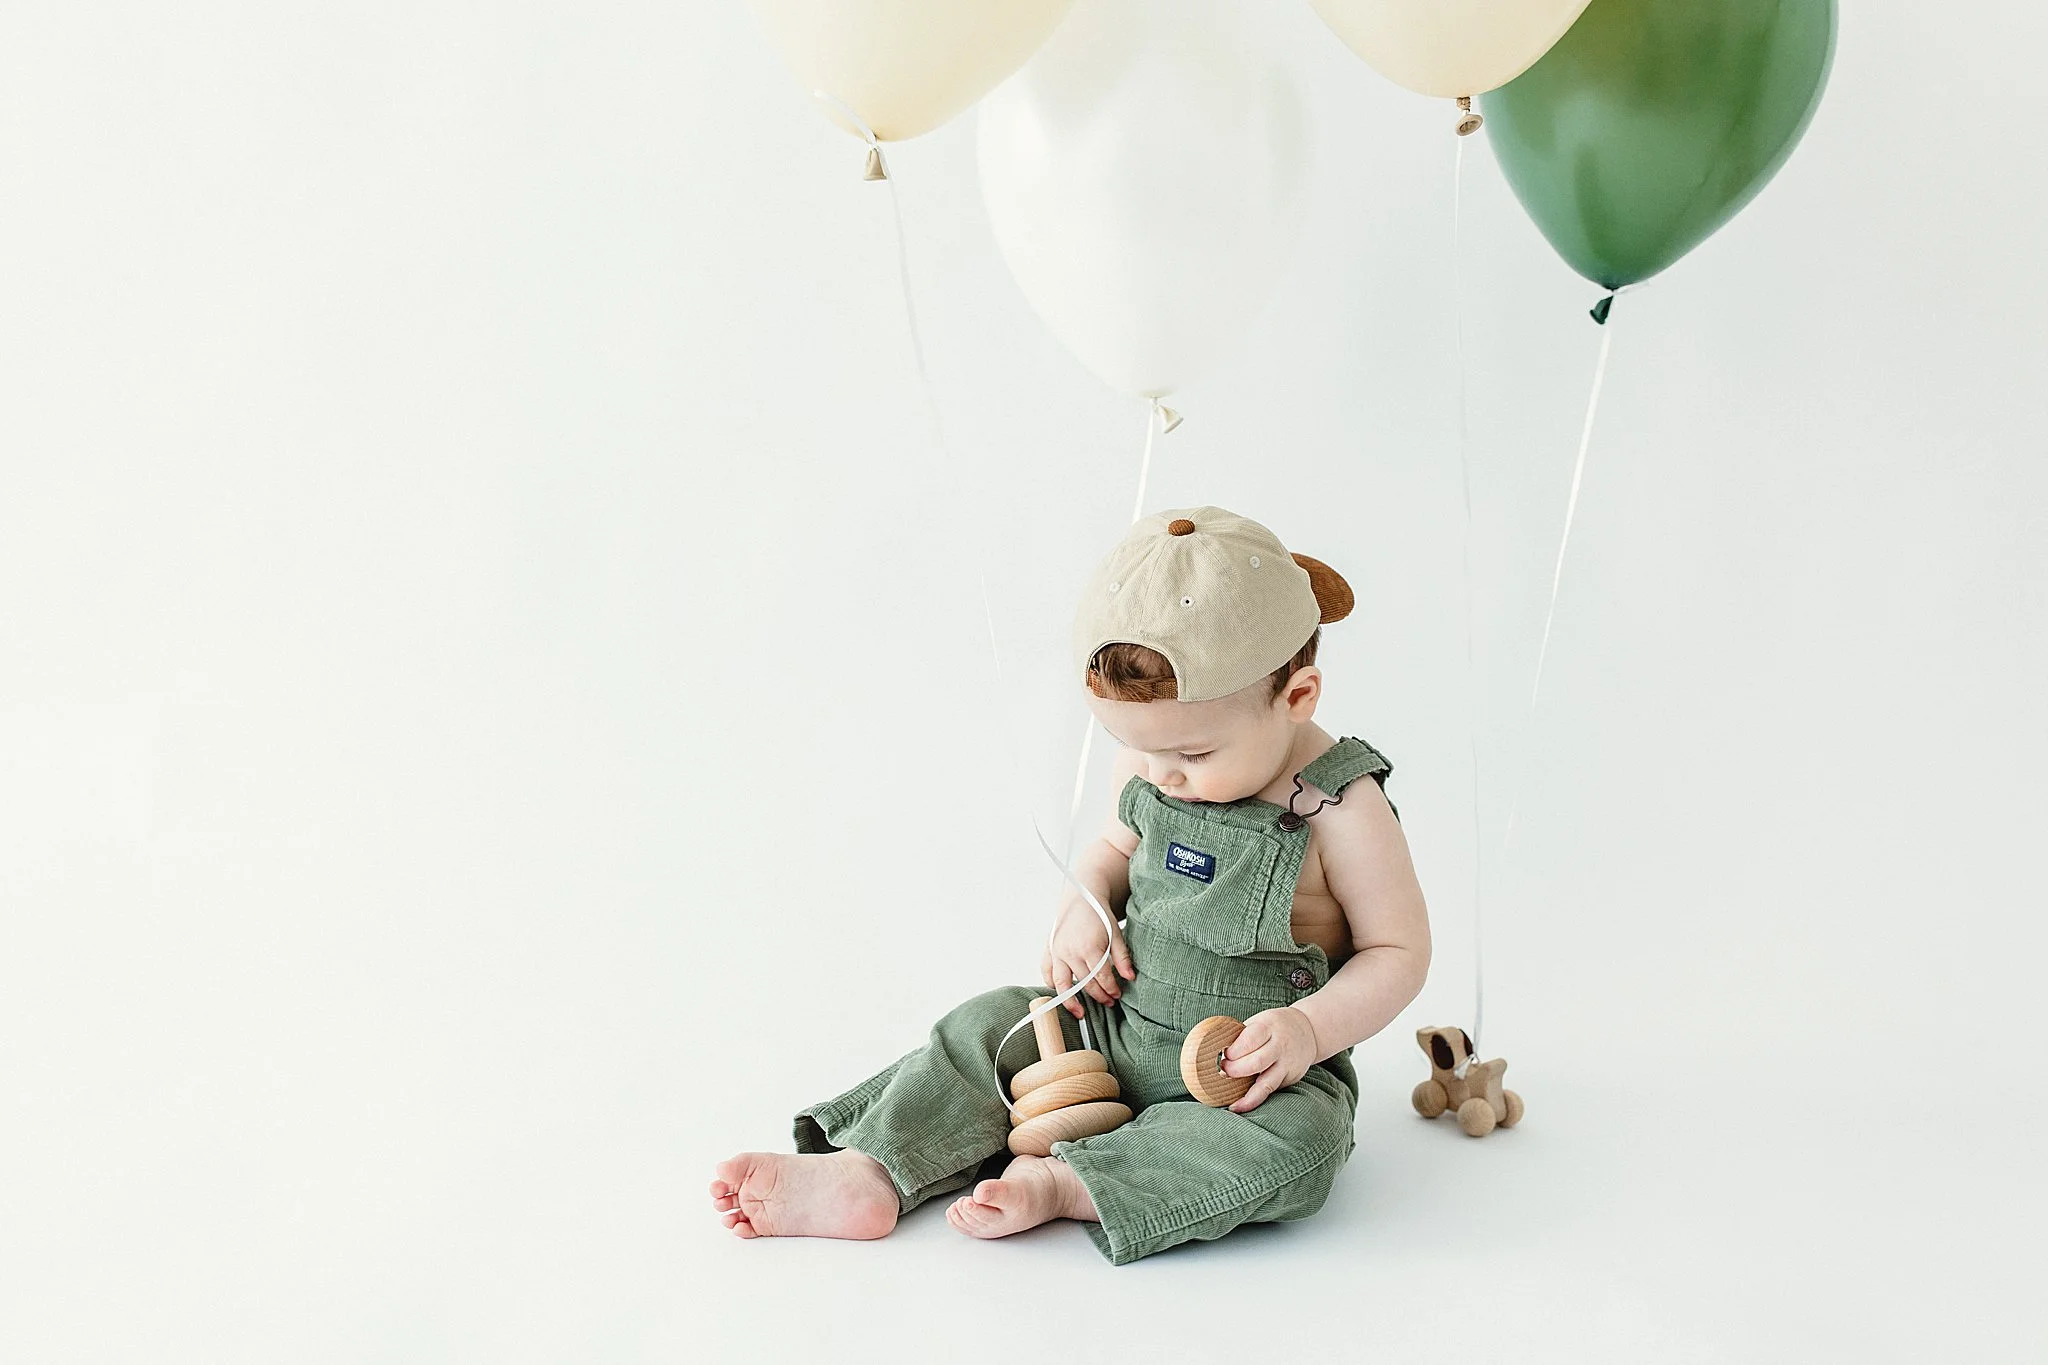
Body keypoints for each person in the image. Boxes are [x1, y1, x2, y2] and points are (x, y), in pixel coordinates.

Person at [709, 506, 1432, 1264]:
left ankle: (1069, 1182)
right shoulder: (1154, 757)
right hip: (1110, 1027)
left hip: (1250, 1075)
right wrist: (1083, 906)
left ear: (1299, 696)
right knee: (989, 1026)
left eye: (1193, 754)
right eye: (1135, 746)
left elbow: (1399, 952)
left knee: (1306, 1143)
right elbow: (1113, 851)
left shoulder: (1342, 807)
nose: (1162, 776)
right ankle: (874, 1167)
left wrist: (1307, 1031)